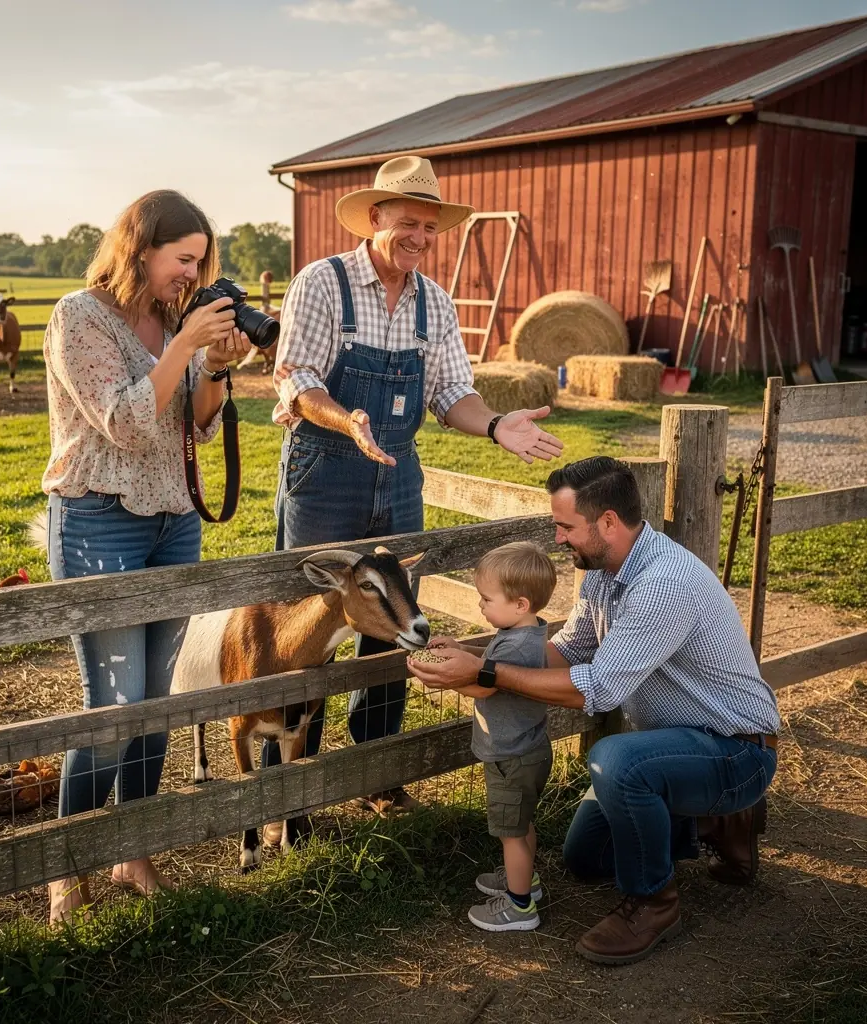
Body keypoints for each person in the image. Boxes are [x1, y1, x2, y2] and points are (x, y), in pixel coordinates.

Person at [266, 155, 564, 819]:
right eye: (408, 223)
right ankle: (294, 781)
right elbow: (297, 377)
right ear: (374, 219)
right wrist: (348, 420)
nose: (420, 239)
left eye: (430, 228)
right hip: (324, 474)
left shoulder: (435, 301)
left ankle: (375, 771)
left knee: (396, 622)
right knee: (307, 625)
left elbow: (451, 392)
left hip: (397, 476)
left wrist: (493, 425)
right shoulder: (323, 283)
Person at [407, 456, 780, 966]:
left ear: (607, 521)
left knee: (616, 763)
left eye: (566, 527)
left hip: (734, 748)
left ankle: (654, 901)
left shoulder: (664, 583)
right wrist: (478, 658)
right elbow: (566, 651)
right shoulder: (607, 572)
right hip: (673, 744)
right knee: (585, 858)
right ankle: (711, 822)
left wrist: (484, 676)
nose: (558, 539)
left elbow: (598, 688)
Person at [40, 189, 252, 926]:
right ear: (139, 248)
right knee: (113, 708)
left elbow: (191, 421)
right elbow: (128, 424)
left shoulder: (173, 320)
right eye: (181, 260)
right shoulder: (80, 318)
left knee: (156, 706)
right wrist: (189, 344)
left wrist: (217, 365)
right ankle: (67, 867)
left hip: (174, 523)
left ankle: (133, 851)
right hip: (100, 521)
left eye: (200, 263)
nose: (191, 276)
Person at [436, 541, 557, 933]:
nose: (480, 606)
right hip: (529, 751)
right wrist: (459, 648)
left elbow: (484, 685)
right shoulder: (526, 633)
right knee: (521, 826)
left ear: (520, 604)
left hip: (511, 757)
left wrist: (446, 677)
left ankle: (520, 908)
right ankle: (527, 883)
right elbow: (489, 665)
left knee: (511, 833)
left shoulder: (517, 646)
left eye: (486, 599)